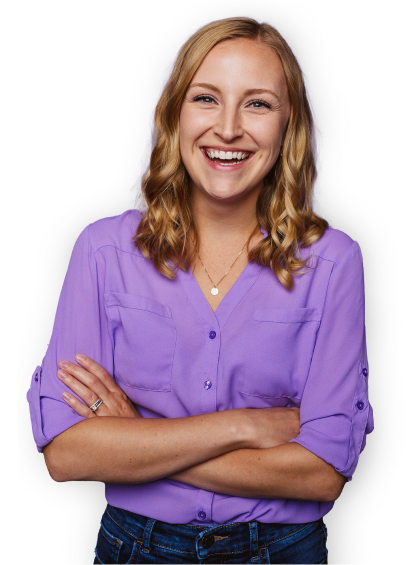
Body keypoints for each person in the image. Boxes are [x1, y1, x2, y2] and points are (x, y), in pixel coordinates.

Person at [27, 15, 373, 565]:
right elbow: (68, 455)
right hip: (135, 548)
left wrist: (133, 437)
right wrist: (244, 427)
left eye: (257, 104)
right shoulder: (102, 251)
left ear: (288, 128)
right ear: (175, 116)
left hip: (282, 552)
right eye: (206, 98)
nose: (229, 128)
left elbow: (322, 474)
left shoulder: (333, 262)